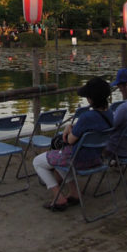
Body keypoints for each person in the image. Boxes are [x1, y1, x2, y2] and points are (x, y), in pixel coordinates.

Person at [33, 77, 113, 211]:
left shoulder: (87, 117)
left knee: (38, 161)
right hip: (97, 159)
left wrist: (67, 128)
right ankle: (74, 193)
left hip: (78, 160)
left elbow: (69, 140)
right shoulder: (110, 114)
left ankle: (58, 198)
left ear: (91, 98)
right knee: (57, 157)